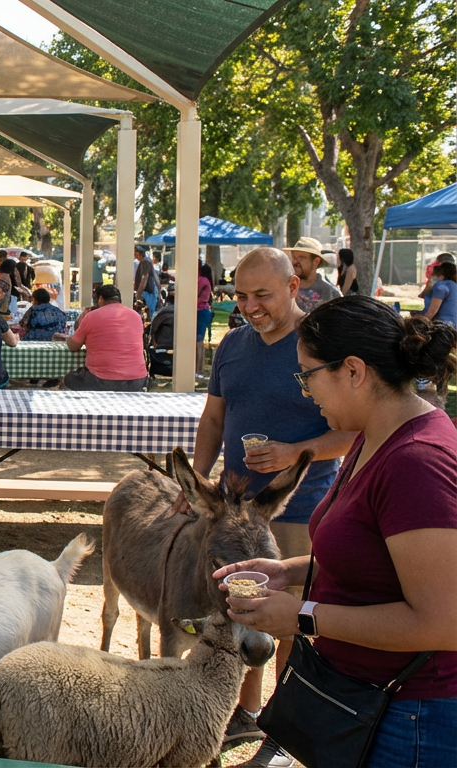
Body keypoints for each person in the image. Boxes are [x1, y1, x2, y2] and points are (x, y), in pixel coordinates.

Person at [216, 297, 457, 768]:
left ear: (353, 370)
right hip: (368, 703)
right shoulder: (373, 434)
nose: (306, 391)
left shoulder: (418, 461)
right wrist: (287, 572)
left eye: (307, 375)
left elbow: (441, 621)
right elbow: (372, 558)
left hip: (410, 719)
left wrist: (303, 618)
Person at [190, 247, 354, 767]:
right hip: (236, 511)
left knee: (292, 620)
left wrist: (291, 455)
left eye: (261, 294)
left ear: (293, 286)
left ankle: (284, 728)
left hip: (302, 507)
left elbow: (352, 430)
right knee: (241, 610)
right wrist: (195, 479)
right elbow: (214, 419)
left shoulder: (321, 345)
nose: (249, 306)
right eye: (240, 295)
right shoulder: (232, 345)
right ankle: (245, 709)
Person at [54, 285, 148, 392]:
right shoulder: (136, 316)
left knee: (68, 379)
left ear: (100, 299)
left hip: (101, 380)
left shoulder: (91, 316)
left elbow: (73, 346)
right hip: (137, 380)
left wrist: (80, 321)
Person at [284, 237, 341, 313]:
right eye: (294, 257)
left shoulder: (330, 293)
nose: (295, 262)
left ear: (316, 262)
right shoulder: (284, 288)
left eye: (302, 257)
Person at [423, 262, 457, 328]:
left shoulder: (440, 286)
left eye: (433, 275)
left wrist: (422, 323)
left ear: (441, 276)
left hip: (444, 326)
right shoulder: (453, 285)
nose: (431, 278)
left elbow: (432, 312)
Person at [133, 245, 160, 316]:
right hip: (150, 290)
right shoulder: (147, 260)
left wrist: (138, 293)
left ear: (138, 253)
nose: (135, 256)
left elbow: (145, 277)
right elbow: (155, 276)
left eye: (135, 254)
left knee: (147, 313)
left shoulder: (144, 262)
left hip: (147, 291)